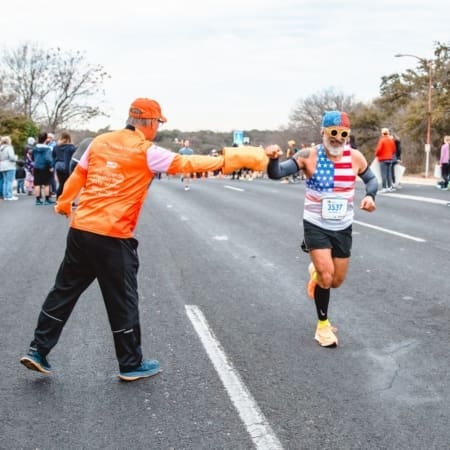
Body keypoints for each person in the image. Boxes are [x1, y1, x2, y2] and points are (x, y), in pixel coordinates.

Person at [19, 97, 268, 381]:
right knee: (123, 300)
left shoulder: (99, 142)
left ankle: (38, 349)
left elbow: (79, 174)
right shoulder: (145, 150)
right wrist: (228, 160)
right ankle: (130, 363)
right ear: (149, 122)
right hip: (113, 235)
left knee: (63, 291)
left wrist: (64, 202)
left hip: (82, 229)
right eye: (158, 124)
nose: (157, 130)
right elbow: (185, 163)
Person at [265, 111, 377, 347]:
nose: (337, 139)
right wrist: (273, 159)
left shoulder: (355, 157)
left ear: (348, 135)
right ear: (323, 133)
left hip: (343, 226)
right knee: (326, 277)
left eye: (343, 134)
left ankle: (315, 273)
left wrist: (370, 196)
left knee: (336, 281)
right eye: (332, 133)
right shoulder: (308, 156)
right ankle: (323, 326)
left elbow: (371, 179)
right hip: (316, 224)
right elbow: (277, 173)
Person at [32, 132, 55, 205]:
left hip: (36, 167)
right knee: (46, 184)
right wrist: (51, 166)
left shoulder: (35, 148)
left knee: (37, 184)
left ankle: (38, 200)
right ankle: (47, 199)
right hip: (45, 167)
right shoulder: (47, 149)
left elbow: (32, 157)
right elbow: (48, 159)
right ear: (45, 139)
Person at [52, 131, 76, 198]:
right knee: (68, 184)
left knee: (61, 183)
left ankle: (58, 198)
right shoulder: (71, 147)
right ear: (69, 138)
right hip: (68, 167)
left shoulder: (56, 147)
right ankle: (67, 199)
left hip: (59, 167)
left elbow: (53, 156)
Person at [375, 128, 396, 192]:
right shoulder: (391, 140)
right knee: (389, 173)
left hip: (383, 159)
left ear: (382, 133)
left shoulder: (382, 140)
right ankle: (390, 187)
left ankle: (384, 187)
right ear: (388, 133)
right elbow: (394, 149)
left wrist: (377, 154)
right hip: (390, 158)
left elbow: (378, 149)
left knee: (383, 174)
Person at [0, 136, 18, 201]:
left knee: (5, 182)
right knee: (10, 181)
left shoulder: (1, 148)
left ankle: (5, 196)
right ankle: (9, 196)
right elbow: (11, 157)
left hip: (2, 166)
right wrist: (16, 158)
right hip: (9, 166)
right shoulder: (9, 147)